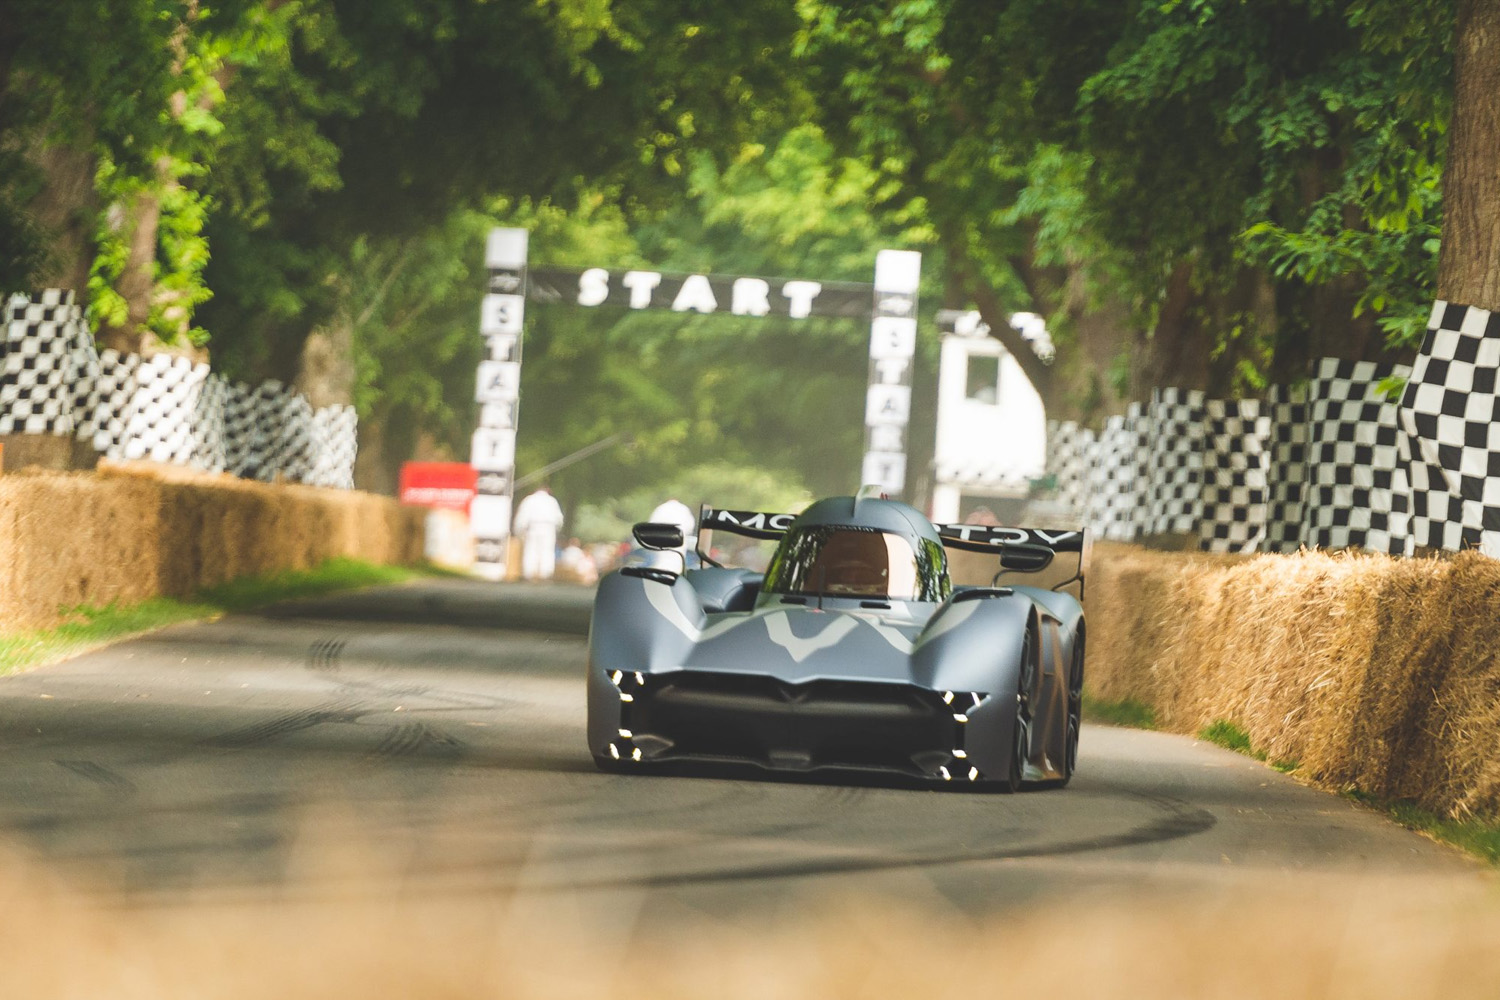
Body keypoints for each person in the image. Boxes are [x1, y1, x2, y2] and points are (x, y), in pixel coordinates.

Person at [513, 485, 565, 581]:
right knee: (547, 551)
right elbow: (559, 519)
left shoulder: (529, 500)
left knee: (531, 550)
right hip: (549, 527)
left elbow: (522, 517)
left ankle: (529, 573)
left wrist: (519, 531)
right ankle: (545, 573)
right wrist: (557, 530)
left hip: (533, 526)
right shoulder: (551, 501)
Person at [648, 497, 697, 567]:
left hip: (660, 541)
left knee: (660, 562)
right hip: (678, 541)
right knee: (677, 562)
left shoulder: (660, 509)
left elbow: (652, 525)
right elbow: (690, 525)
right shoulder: (683, 509)